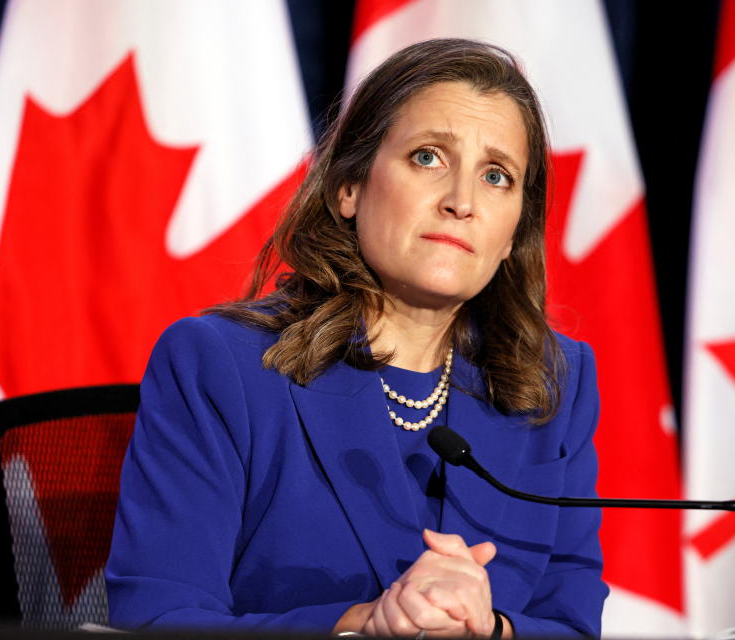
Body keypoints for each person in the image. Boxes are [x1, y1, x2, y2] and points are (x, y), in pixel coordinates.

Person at [106, 38, 608, 638]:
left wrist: (490, 630)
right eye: (428, 157)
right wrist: (361, 625)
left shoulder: (554, 385)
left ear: (511, 236)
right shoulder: (222, 366)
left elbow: (570, 625)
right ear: (350, 187)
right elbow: (158, 619)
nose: (462, 202)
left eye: (496, 176)